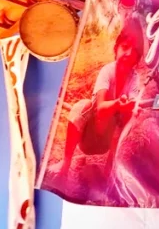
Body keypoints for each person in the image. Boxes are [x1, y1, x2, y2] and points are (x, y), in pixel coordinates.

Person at [51, 19, 145, 180]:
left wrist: (131, 108)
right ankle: (65, 164)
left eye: (134, 50)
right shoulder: (107, 71)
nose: (129, 53)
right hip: (89, 136)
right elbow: (100, 108)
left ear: (138, 57)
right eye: (125, 47)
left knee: (128, 118)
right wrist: (117, 104)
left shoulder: (135, 79)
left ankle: (110, 171)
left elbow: (133, 107)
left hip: (108, 140)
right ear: (116, 49)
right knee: (82, 105)